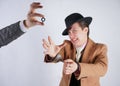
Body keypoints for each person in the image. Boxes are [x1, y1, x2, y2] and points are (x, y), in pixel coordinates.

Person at [42, 13, 108, 86]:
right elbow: (58, 57)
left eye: (74, 31)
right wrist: (53, 55)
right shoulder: (67, 45)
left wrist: (77, 67)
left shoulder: (99, 48)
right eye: (69, 32)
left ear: (85, 30)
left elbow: (102, 68)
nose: (71, 36)